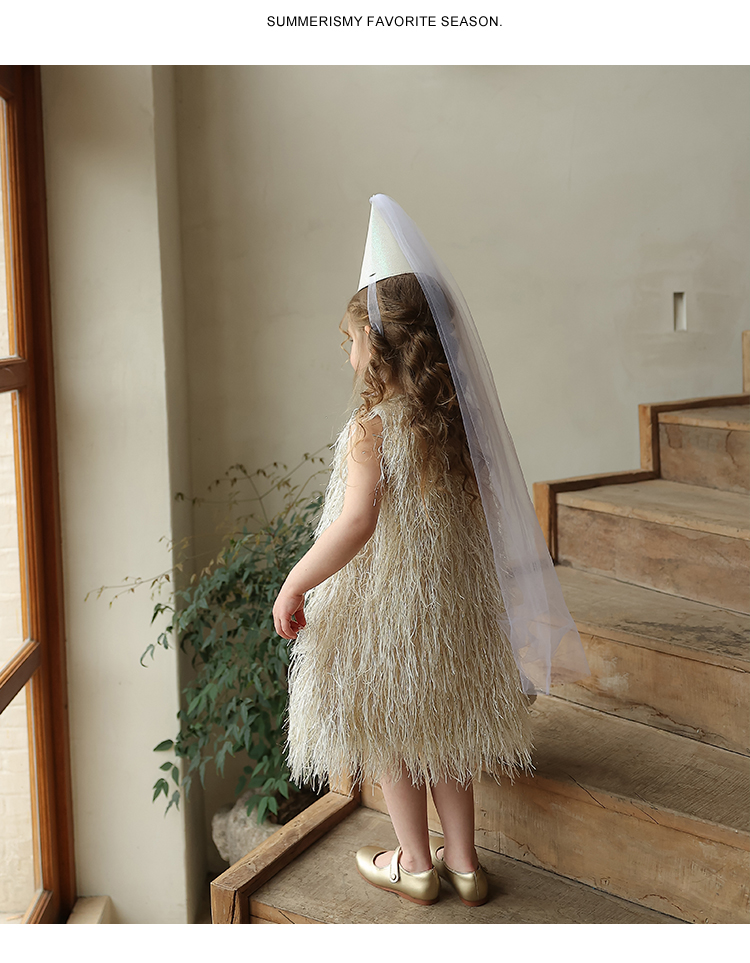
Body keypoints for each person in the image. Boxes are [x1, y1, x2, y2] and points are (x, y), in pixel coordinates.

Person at [273, 195, 589, 908]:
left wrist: (295, 581)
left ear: (376, 343)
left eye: (351, 339)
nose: (347, 354)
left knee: (392, 725)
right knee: (448, 727)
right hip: (452, 606)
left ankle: (414, 861)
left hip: (390, 607)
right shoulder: (455, 424)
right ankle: (467, 864)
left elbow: (356, 523)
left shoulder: (373, 428)